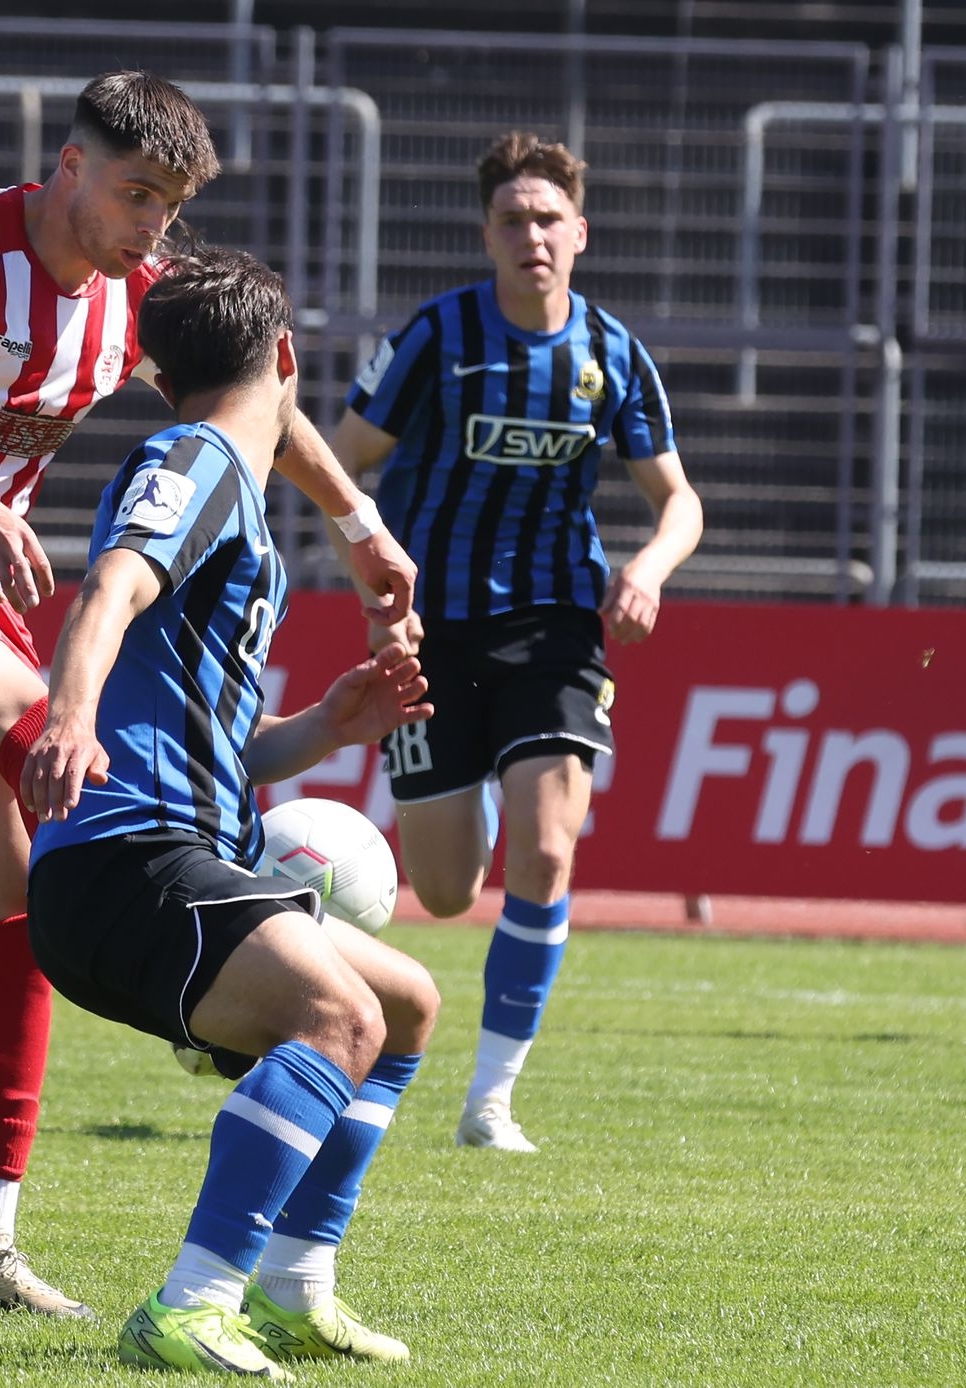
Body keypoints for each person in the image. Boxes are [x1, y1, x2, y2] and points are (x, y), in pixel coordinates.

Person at [0, 72, 417, 1316]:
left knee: (19, 912)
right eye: (134, 194)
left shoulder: (135, 286)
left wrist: (362, 525)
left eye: (169, 206)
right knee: (61, 753)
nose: (150, 227)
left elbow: (262, 394)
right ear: (69, 165)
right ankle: (228, 962)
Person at [22, 244, 436, 1377]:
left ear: (161, 375)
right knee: (339, 1018)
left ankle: (293, 1289)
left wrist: (325, 728)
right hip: (124, 862)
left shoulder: (225, 484)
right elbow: (111, 585)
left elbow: (213, 746)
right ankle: (192, 1304)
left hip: (170, 851)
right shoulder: (196, 461)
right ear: (287, 357)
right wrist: (68, 718)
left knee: (403, 1006)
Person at [328, 132, 702, 1151]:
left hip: (554, 625)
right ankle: (480, 787)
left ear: (580, 233)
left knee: (546, 849)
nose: (531, 235)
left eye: (548, 219)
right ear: (486, 234)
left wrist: (647, 570)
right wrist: (377, 590)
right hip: (432, 629)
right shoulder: (437, 337)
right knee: (446, 891)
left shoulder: (612, 354)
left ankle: (490, 1102)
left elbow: (679, 500)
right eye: (512, 220)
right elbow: (341, 463)